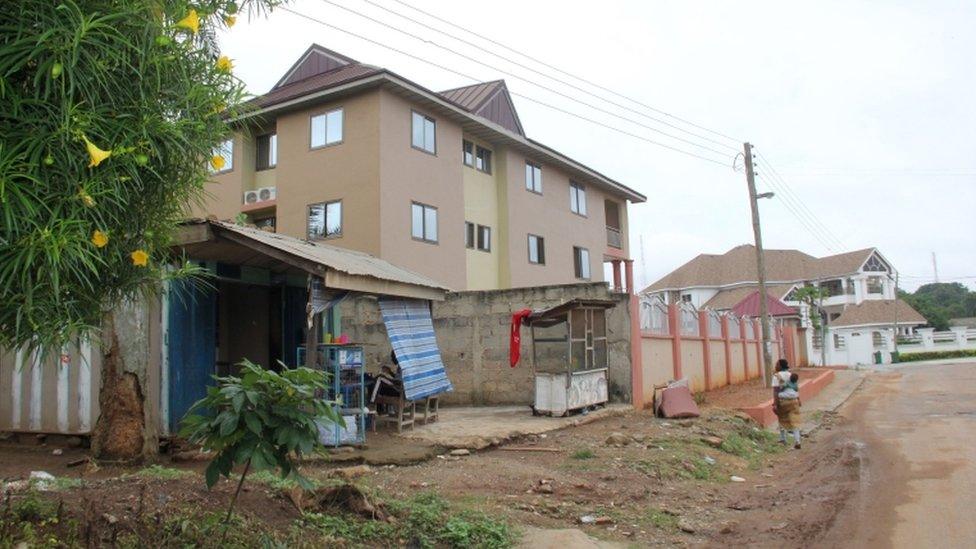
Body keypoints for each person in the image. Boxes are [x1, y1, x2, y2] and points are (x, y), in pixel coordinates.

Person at [772, 359, 802, 449]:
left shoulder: (776, 376)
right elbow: (796, 389)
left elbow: (776, 391)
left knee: (782, 418)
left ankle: (783, 439)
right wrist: (799, 399)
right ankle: (797, 441)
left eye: (777, 364)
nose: (775, 366)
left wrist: (775, 404)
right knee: (795, 421)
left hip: (783, 400)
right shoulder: (791, 375)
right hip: (794, 400)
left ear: (781, 366)